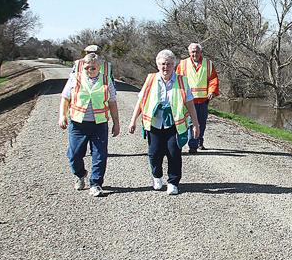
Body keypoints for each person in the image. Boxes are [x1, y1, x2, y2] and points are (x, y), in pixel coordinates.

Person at [128, 49, 200, 195]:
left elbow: (190, 104)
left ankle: (173, 182)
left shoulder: (182, 80)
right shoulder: (151, 79)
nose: (165, 67)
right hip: (154, 123)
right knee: (154, 153)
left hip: (174, 124)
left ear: (173, 65)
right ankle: (157, 176)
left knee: (174, 153)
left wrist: (195, 124)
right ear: (157, 65)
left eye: (168, 64)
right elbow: (141, 102)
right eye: (162, 64)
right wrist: (133, 121)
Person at [58, 53, 120, 197]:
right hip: (78, 124)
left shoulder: (106, 81)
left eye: (93, 68)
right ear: (83, 67)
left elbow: (112, 102)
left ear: (99, 68)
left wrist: (116, 123)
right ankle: (80, 174)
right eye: (87, 68)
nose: (90, 70)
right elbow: (65, 98)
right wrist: (62, 115)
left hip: (99, 124)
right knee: (74, 155)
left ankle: (96, 184)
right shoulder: (75, 78)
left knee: (100, 155)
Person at [176, 43, 219, 153]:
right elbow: (177, 80)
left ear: (201, 52)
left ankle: (199, 140)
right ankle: (193, 146)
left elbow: (213, 79)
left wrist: (212, 91)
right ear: (189, 52)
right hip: (188, 100)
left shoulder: (208, 64)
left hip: (203, 100)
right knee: (191, 123)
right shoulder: (183, 64)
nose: (195, 54)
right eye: (192, 52)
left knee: (202, 123)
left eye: (197, 51)